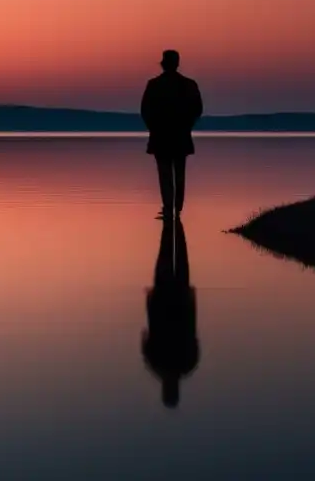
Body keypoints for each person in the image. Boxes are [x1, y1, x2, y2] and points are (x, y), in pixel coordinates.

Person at [141, 217, 200, 409]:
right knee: (171, 251)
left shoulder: (184, 364)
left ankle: (172, 220)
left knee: (172, 251)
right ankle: (173, 220)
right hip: (172, 299)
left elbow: (192, 331)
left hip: (170, 299)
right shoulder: (182, 364)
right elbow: (192, 329)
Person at [140, 49, 203, 219]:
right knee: (179, 172)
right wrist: (187, 125)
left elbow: (145, 111)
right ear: (177, 63)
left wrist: (153, 128)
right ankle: (176, 208)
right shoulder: (189, 84)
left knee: (165, 173)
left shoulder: (153, 85)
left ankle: (169, 207)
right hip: (180, 136)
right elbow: (198, 109)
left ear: (163, 63)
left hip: (161, 137)